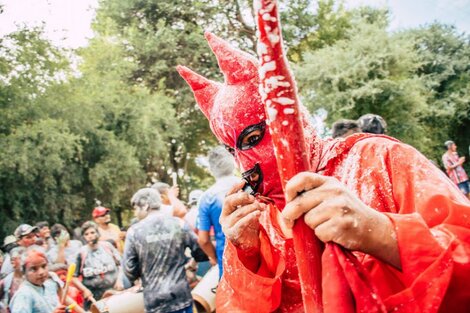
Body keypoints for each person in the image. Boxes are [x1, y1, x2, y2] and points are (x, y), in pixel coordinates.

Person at [178, 32, 470, 312]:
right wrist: (248, 255)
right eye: (233, 151)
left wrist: (381, 234)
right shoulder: (259, 216)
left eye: (253, 140)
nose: (245, 166)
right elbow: (238, 306)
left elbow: (463, 257)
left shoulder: (379, 161)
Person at [123, 188, 208, 313]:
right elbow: (201, 252)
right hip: (181, 297)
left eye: (136, 208)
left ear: (145, 206)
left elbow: (129, 269)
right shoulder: (178, 224)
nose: (135, 213)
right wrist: (191, 265)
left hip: (154, 301)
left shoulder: (134, 232)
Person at [197, 146, 239, 278]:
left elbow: (203, 240)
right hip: (260, 258)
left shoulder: (207, 198)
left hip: (228, 262)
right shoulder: (249, 187)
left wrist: (215, 257)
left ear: (211, 169)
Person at [8, 249, 87, 313]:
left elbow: (64, 298)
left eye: (43, 266)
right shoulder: (24, 295)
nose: (41, 272)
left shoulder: (50, 283)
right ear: (24, 272)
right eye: (33, 269)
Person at [72, 221, 123, 310]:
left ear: (98, 233)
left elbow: (121, 265)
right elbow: (73, 277)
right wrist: (84, 290)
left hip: (114, 293)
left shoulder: (107, 246)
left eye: (92, 232)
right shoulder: (81, 253)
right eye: (86, 234)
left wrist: (119, 280)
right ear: (83, 237)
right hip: (94, 298)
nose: (90, 236)